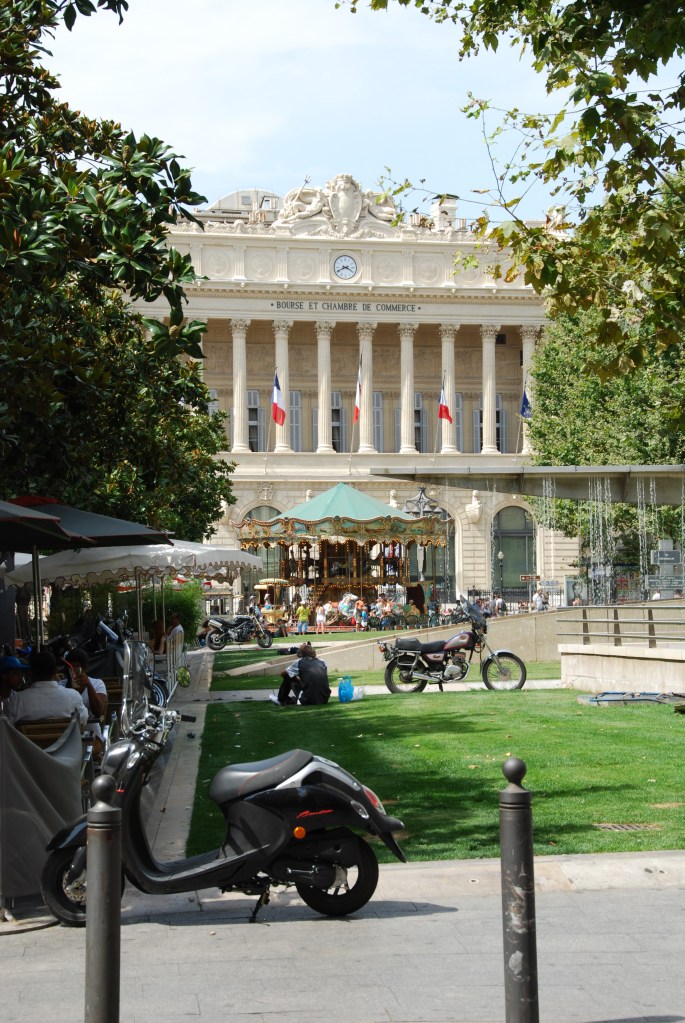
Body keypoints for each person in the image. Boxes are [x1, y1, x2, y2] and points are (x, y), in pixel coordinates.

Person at [7, 648, 88, 727]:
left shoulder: (17, 700)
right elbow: (83, 721)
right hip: (66, 737)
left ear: (31, 672)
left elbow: (8, 728)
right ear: (55, 671)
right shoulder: (74, 696)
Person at [64, 647, 108, 753]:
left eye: (77, 670)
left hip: (91, 735)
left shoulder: (97, 684)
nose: (74, 673)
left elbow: (99, 711)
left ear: (85, 669)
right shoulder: (61, 686)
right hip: (65, 737)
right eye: (71, 669)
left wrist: (89, 686)